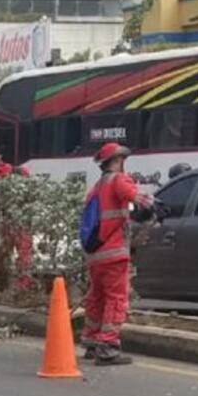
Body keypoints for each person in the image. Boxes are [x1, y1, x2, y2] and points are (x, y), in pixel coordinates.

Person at [81, 143, 151, 367]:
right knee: (116, 299)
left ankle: (91, 341)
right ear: (118, 160)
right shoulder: (119, 180)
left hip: (95, 254)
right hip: (114, 254)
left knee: (97, 298)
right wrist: (149, 204)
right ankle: (108, 347)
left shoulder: (97, 186)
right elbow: (136, 198)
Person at [0, 151, 34, 290]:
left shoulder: (19, 174)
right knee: (1, 255)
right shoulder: (11, 176)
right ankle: (3, 286)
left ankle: (22, 287)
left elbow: (31, 197)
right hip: (7, 224)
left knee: (22, 257)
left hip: (20, 223)